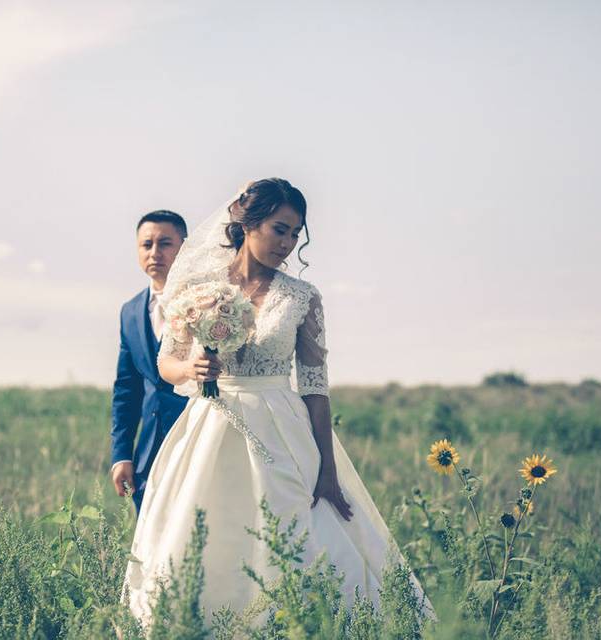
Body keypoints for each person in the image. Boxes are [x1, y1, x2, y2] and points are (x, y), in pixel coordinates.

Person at [122, 179, 435, 625]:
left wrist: (326, 468)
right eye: (278, 229)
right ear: (247, 224)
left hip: (281, 428)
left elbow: (315, 387)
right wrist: (191, 369)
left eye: (295, 234)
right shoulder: (198, 288)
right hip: (209, 425)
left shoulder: (302, 298)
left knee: (292, 530)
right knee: (202, 533)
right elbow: (166, 361)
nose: (287, 244)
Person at [110, 210, 190, 514]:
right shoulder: (130, 311)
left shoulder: (209, 300)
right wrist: (122, 455)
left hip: (195, 438)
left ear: (185, 247)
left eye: (165, 243)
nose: (155, 252)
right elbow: (126, 389)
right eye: (147, 245)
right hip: (148, 451)